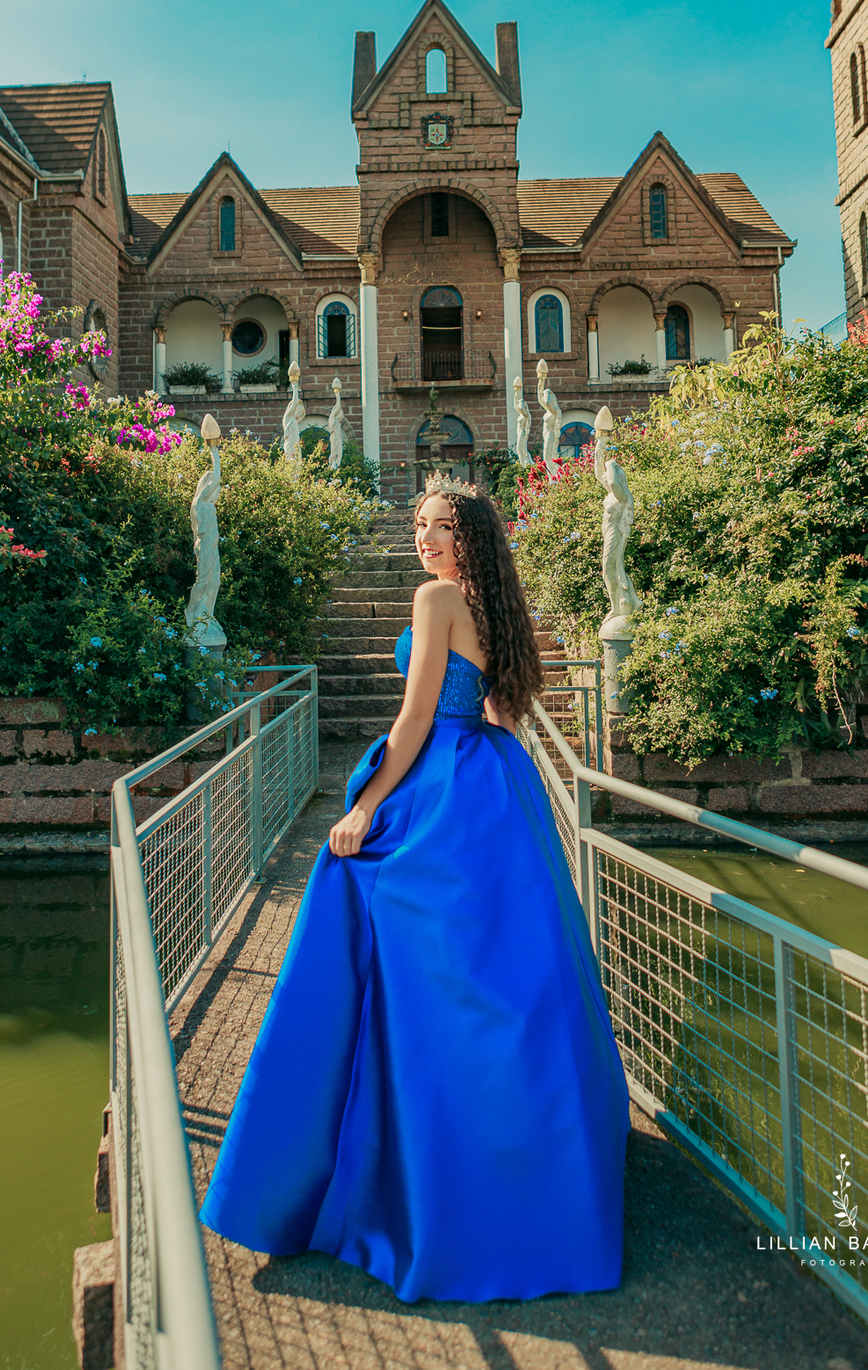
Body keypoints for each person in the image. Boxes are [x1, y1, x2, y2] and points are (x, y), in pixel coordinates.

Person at [200, 473, 630, 1303]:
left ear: (468, 536)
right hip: (500, 786)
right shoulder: (500, 602)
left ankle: (374, 1156)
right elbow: (504, 718)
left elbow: (413, 722)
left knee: (370, 902)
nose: (424, 541)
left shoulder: (436, 599)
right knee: (509, 969)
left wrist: (363, 802)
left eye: (439, 528)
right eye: (420, 527)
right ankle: (519, 1168)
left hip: (443, 780)